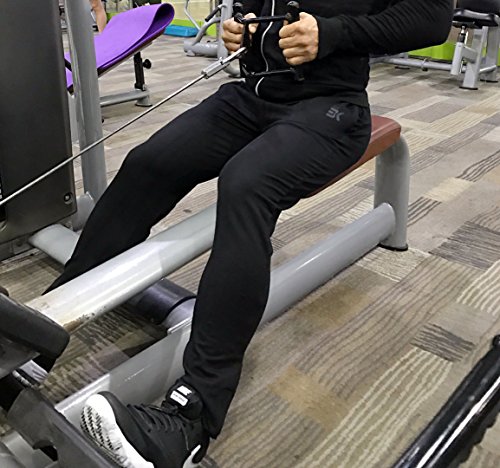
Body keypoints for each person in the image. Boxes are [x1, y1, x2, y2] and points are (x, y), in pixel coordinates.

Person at [48, 0, 453, 466]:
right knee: (148, 163)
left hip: (331, 107)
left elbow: (433, 18)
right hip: (250, 98)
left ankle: (191, 420)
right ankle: (47, 326)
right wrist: (241, 26)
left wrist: (333, 34)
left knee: (246, 184)